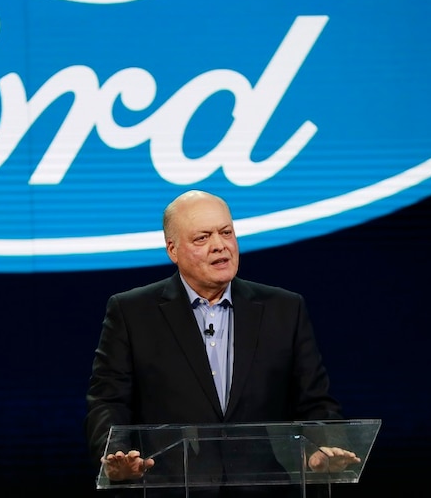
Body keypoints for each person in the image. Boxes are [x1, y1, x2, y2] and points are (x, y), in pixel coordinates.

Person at [84, 190, 360, 496]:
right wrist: (116, 455)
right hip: (172, 489)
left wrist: (325, 447)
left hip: (263, 491)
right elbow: (108, 401)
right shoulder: (132, 312)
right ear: (173, 250)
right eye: (202, 238)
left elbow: (315, 401)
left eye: (226, 232)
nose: (220, 245)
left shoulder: (284, 308)